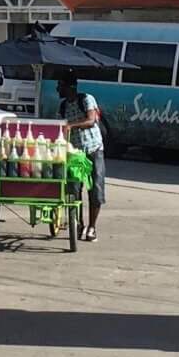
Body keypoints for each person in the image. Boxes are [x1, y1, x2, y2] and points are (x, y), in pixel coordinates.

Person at [55, 73, 105, 239]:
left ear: (70, 87)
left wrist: (71, 126)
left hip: (94, 149)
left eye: (60, 86)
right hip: (75, 153)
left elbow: (91, 120)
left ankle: (92, 227)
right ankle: (79, 223)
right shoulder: (63, 107)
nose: (57, 89)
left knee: (95, 189)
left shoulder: (86, 99)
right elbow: (59, 128)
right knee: (74, 189)